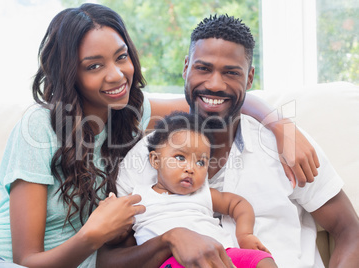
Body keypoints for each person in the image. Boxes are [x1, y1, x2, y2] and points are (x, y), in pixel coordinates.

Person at [0, 3, 320, 268]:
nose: (116, 76)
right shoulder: (42, 125)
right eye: (94, 66)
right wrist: (92, 236)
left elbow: (212, 98)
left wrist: (281, 127)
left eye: (121, 57)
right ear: (69, 73)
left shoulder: (131, 111)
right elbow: (27, 260)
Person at [98, 14, 359, 268]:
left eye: (231, 73)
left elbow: (349, 232)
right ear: (186, 67)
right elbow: (109, 259)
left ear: (249, 77)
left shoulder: (287, 147)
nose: (214, 84)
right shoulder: (142, 159)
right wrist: (169, 240)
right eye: (203, 68)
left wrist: (281, 127)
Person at [132, 111, 276, 268]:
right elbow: (119, 233)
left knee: (261, 259)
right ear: (155, 160)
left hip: (223, 254)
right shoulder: (139, 198)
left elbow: (238, 203)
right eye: (180, 158)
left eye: (200, 162)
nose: (190, 168)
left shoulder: (203, 193)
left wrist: (245, 234)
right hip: (173, 259)